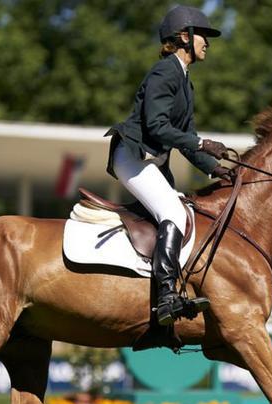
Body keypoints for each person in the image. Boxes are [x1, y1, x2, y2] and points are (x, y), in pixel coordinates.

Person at [104, 5, 233, 328]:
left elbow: (185, 138)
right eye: (203, 35)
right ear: (184, 37)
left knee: (183, 209)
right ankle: (165, 297)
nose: (208, 42)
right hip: (132, 157)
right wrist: (204, 144)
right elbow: (158, 126)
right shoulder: (165, 72)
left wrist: (215, 169)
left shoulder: (185, 82)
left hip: (152, 162)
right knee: (174, 213)